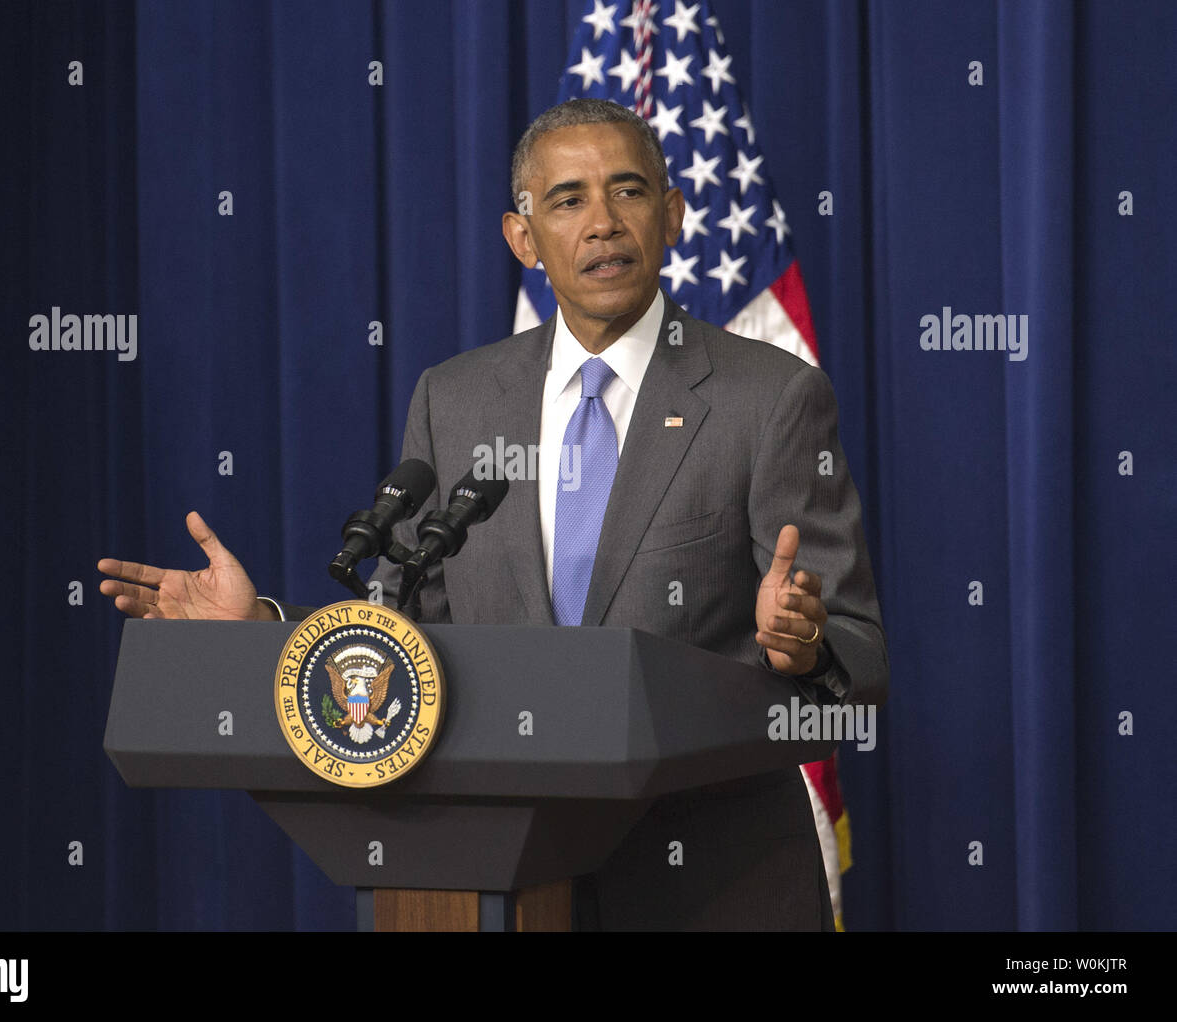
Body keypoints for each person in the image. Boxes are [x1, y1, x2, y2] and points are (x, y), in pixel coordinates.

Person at [99, 99, 889, 930]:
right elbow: (403, 630)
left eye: (627, 192)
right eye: (568, 199)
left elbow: (861, 658)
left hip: (713, 888)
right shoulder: (457, 399)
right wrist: (260, 625)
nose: (603, 224)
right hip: (493, 883)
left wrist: (803, 647)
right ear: (523, 238)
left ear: (673, 214)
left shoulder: (769, 397)